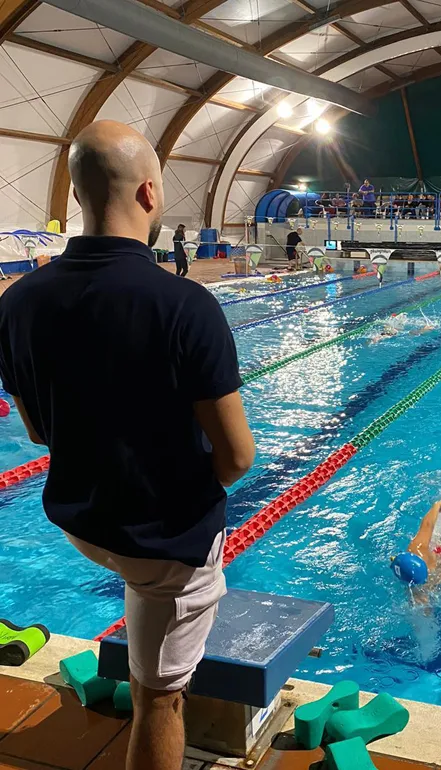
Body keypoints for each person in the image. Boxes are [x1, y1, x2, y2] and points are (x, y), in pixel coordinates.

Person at [0, 120, 256, 770]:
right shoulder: (186, 305)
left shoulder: (17, 303)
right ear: (149, 193)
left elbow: (37, 432)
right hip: (164, 544)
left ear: (77, 196)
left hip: (82, 524)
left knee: (139, 592)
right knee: (158, 701)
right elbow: (236, 458)